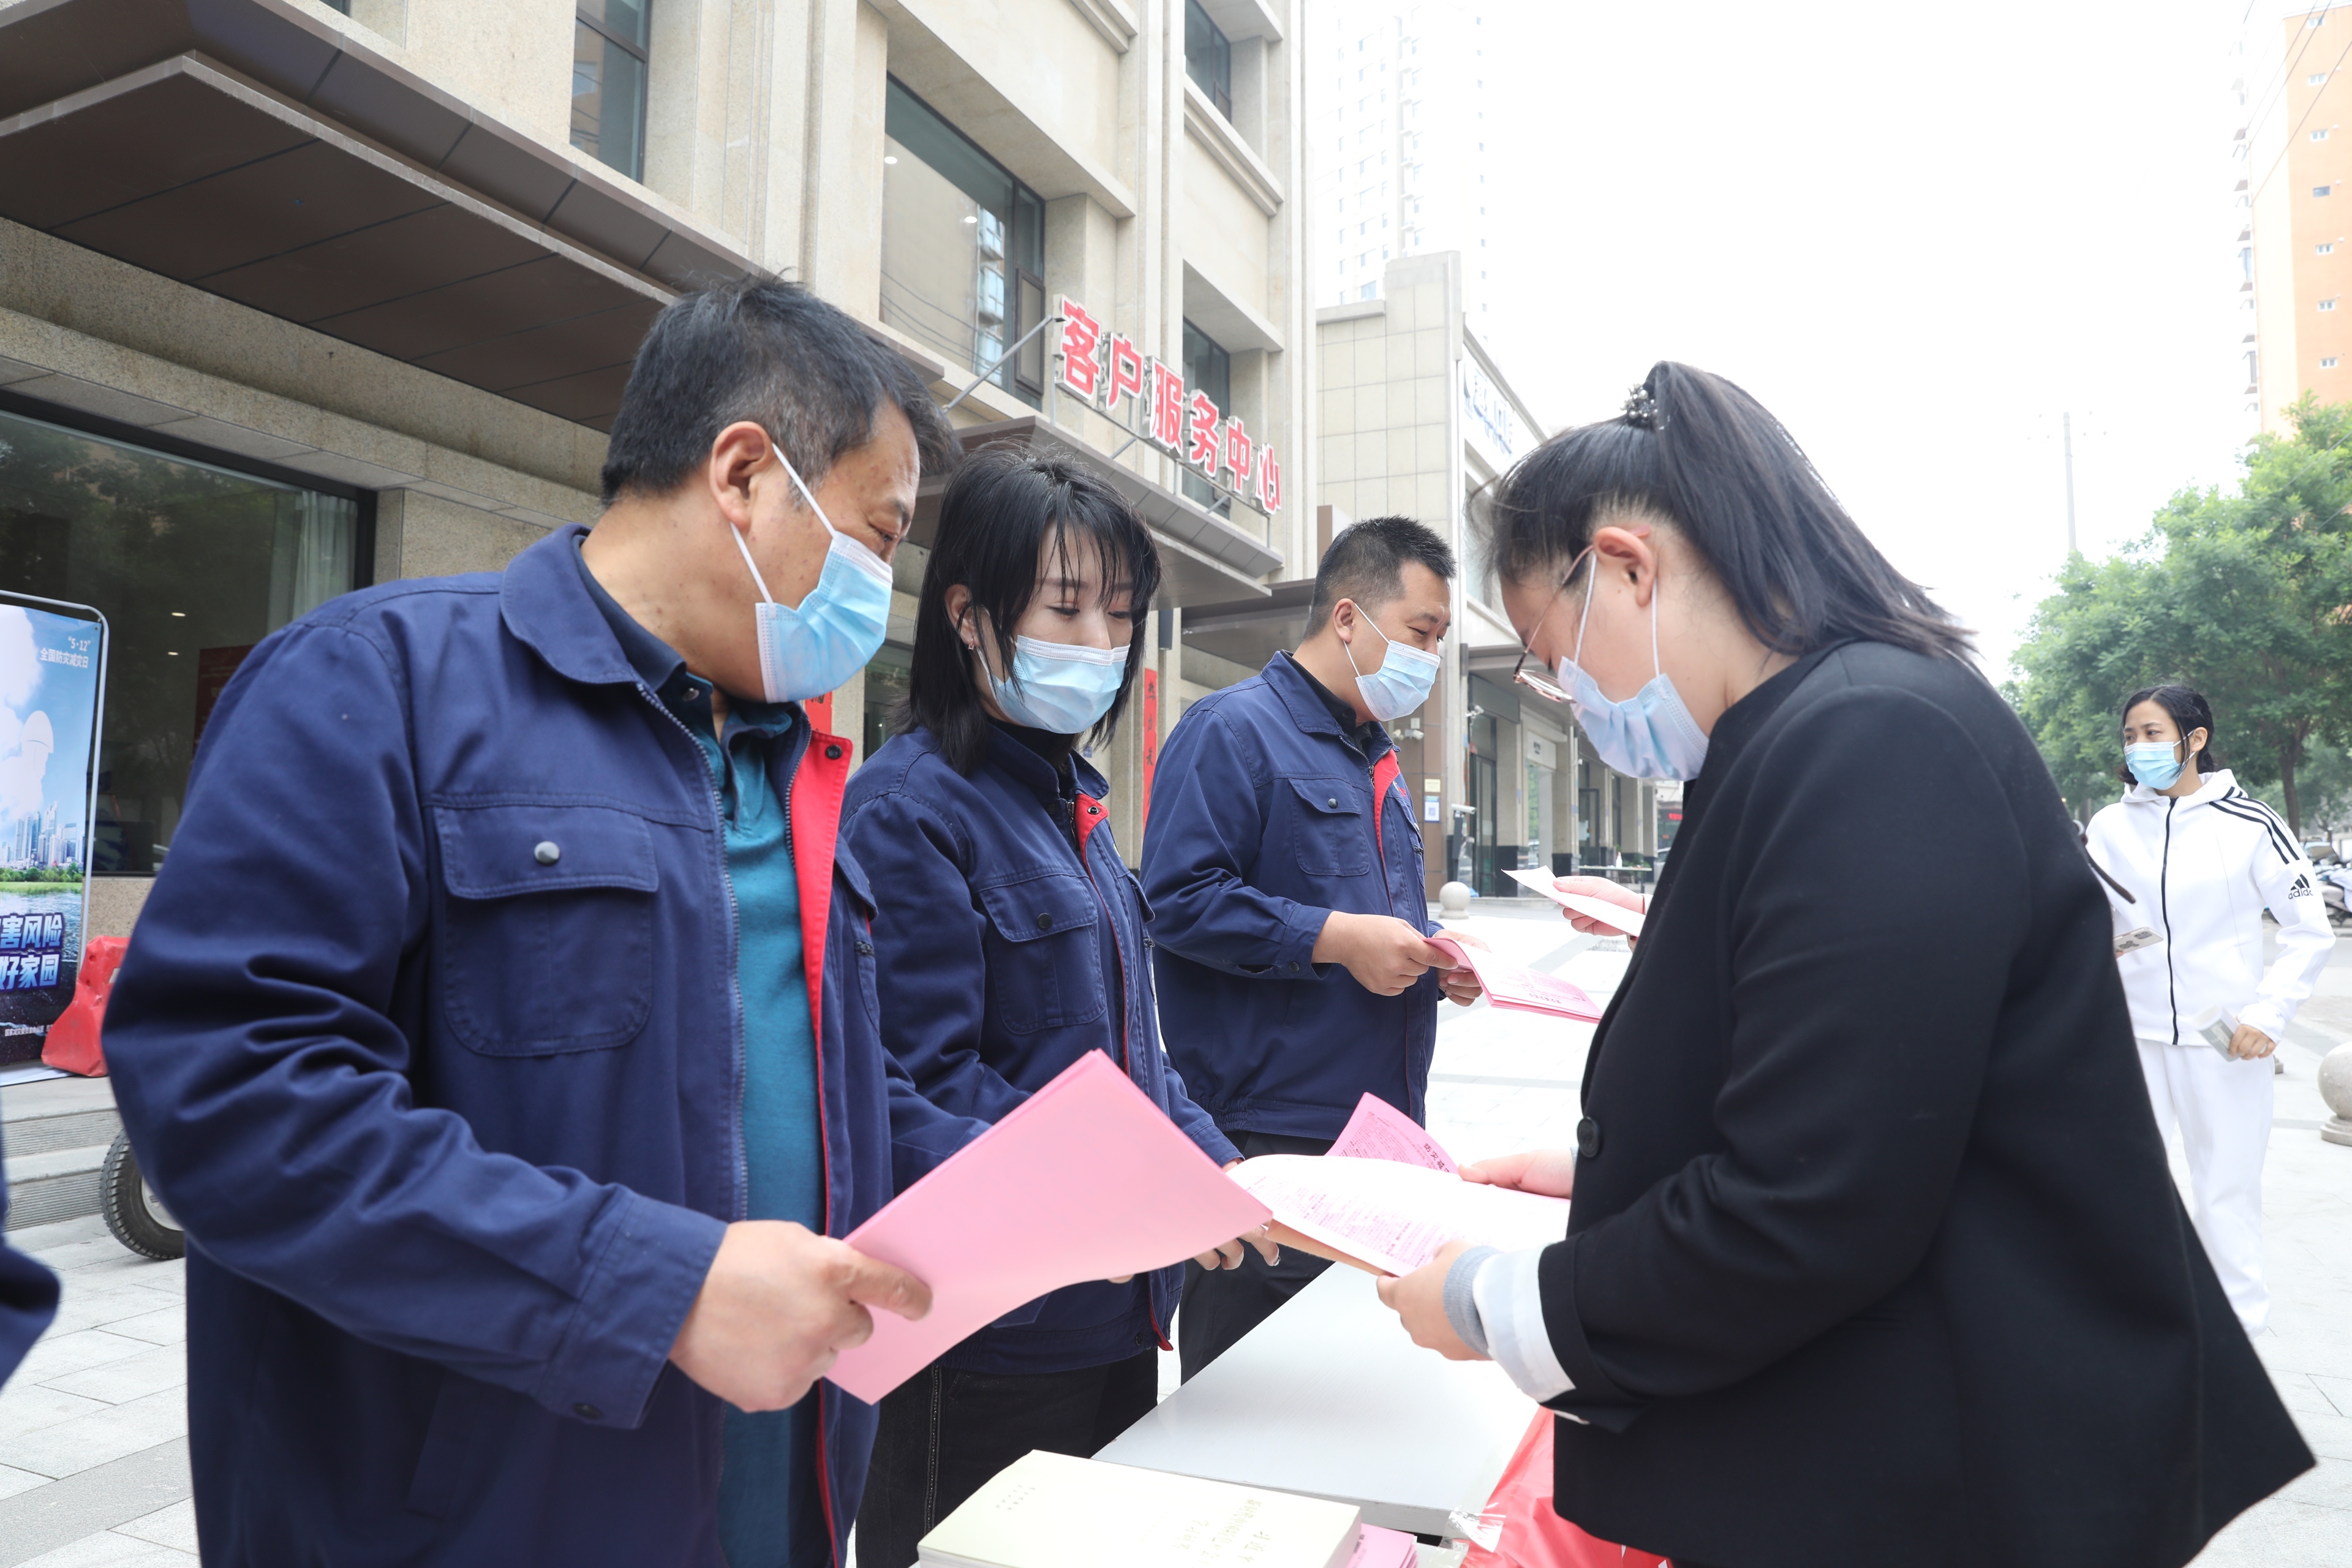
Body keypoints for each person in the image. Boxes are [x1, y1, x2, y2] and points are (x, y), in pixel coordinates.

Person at [99, 279, 993, 1567]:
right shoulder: (379, 685)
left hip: (776, 1509)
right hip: (478, 1525)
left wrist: (1084, 1181)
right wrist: (656, 1289)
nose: (879, 586)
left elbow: (822, 1087)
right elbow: (231, 1097)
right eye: (878, 534)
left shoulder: (793, 769)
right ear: (744, 474)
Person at [1374, 365, 2310, 1568]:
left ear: (1626, 567)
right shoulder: (1801, 736)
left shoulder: (1873, 739)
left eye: (1556, 653)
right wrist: (1606, 1175)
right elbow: (1852, 1104)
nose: (1573, 693)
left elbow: (1811, 1202)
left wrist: (1491, 1303)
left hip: (1962, 1474)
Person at [840, 449, 1273, 1564]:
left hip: (1118, 1314)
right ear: (967, 615)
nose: (1099, 643)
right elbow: (918, 1088)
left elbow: (1136, 1061)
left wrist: (1218, 1168)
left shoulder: (1073, 803)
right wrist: (1118, 1194)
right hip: (992, 1335)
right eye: (1066, 608)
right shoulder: (911, 811)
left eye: (1119, 615)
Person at [1141, 516, 1483, 1379]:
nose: (1431, 658)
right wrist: (1335, 939)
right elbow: (1177, 902)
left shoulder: (1374, 757)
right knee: (1255, 1408)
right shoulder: (1231, 732)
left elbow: (1369, 915)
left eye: (1441, 638)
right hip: (1272, 1148)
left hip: (1380, 1144)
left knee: (1350, 1404)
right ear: (1347, 617)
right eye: (1420, 632)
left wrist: (1435, 960)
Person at [2086, 683, 2333, 1335]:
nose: (2138, 747)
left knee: (2225, 1192)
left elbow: (2310, 930)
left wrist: (2268, 1014)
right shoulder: (2109, 828)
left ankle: (2236, 1338)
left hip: (2226, 1043)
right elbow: (2087, 921)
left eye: (2152, 733)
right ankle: (2132, 1328)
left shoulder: (2251, 823)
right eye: (2131, 735)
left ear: (2194, 739)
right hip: (2132, 1040)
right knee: (2124, 1187)